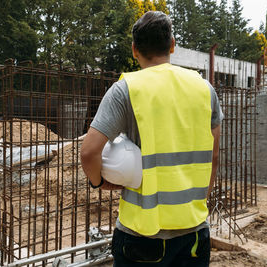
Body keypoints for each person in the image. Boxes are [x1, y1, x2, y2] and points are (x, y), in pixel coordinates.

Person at [80, 11, 223, 267]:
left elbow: (89, 152)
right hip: (193, 231)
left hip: (141, 235)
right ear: (172, 44)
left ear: (134, 49)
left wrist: (98, 182)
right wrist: (197, 202)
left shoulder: (126, 90)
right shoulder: (204, 89)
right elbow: (213, 155)